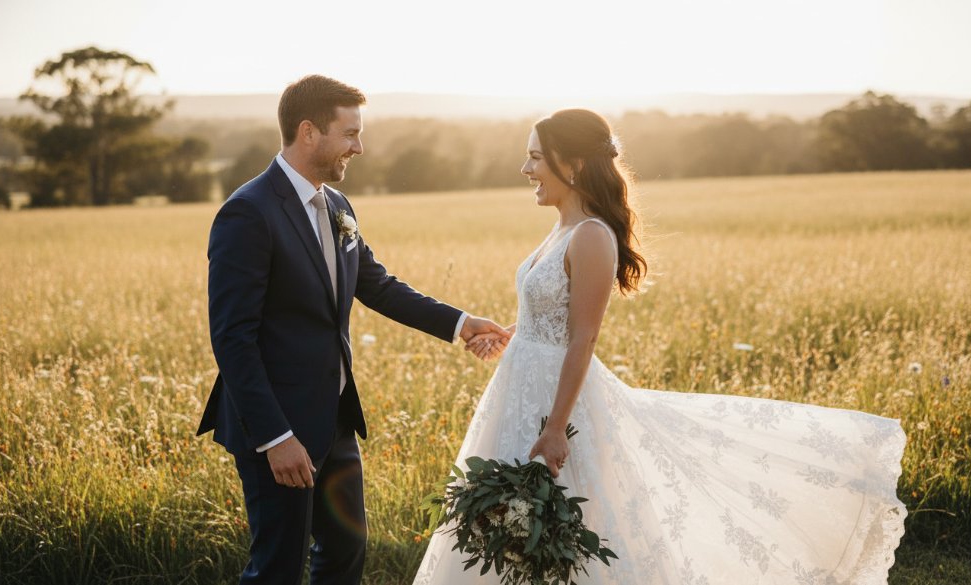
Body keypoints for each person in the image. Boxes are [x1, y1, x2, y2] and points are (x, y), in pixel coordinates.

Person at [414, 109, 906, 584]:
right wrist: (512, 337)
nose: (526, 169)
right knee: (508, 528)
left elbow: (583, 338)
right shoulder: (560, 228)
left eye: (537, 157)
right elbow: (552, 320)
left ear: (576, 163)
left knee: (564, 524)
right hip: (520, 388)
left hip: (556, 404)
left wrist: (558, 428)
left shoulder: (591, 236)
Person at [197, 74, 510, 585]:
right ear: (309, 132)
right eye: (350, 134)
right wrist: (276, 436)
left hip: (335, 417)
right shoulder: (248, 213)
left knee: (345, 552)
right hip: (276, 425)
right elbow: (232, 338)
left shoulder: (339, 207)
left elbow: (378, 286)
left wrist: (460, 323)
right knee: (277, 566)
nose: (359, 147)